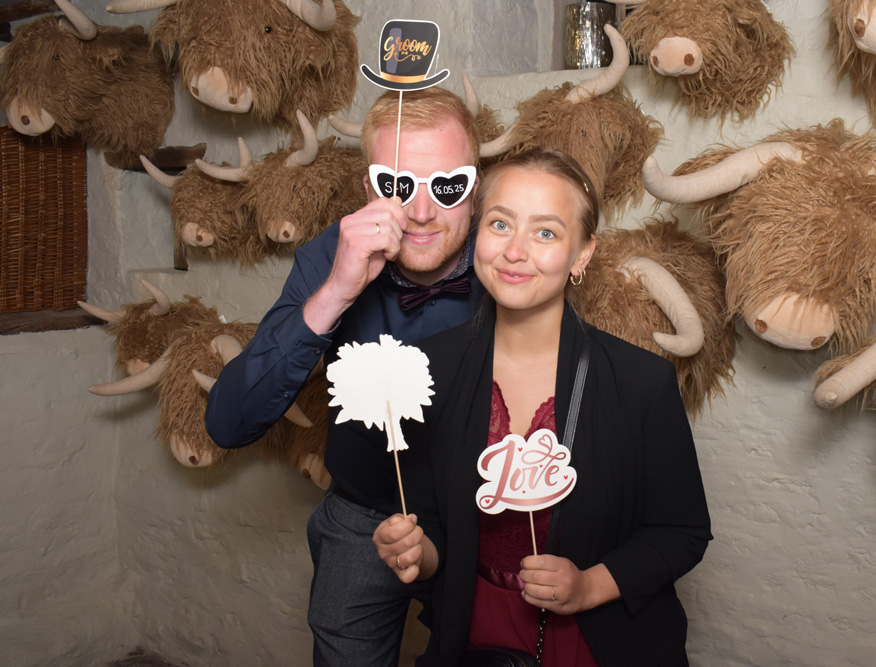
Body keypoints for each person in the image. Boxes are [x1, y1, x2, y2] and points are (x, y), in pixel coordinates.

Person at [373, 148, 713, 666]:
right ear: (475, 233)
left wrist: (590, 585)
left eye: (546, 233)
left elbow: (682, 532)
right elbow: (438, 527)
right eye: (500, 223)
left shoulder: (643, 382)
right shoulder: (426, 371)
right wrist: (420, 555)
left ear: (582, 255)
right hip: (472, 626)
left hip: (597, 640)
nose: (515, 251)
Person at [205, 87, 484, 667]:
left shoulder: (511, 256)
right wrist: (335, 291)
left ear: (475, 188)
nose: (423, 212)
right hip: (364, 513)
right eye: (398, 186)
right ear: (369, 190)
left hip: (485, 517)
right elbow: (228, 422)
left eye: (448, 186)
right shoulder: (331, 254)